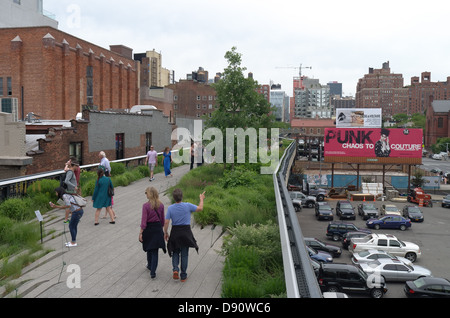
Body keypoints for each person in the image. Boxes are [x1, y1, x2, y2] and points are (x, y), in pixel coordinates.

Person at [164, 189, 205, 282]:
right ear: (182, 197)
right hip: (186, 232)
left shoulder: (170, 208)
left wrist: (165, 232)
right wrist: (201, 199)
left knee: (175, 252)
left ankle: (175, 269)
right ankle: (183, 276)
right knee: (184, 254)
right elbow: (200, 208)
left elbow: (166, 222)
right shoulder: (188, 205)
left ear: (174, 198)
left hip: (175, 232)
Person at [139, 187, 166, 279]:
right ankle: (153, 271)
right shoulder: (161, 205)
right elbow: (162, 220)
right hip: (157, 228)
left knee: (149, 248)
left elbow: (144, 221)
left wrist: (141, 233)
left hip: (149, 229)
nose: (145, 194)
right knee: (155, 251)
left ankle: (150, 266)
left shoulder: (145, 206)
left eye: (146, 193)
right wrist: (161, 230)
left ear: (150, 194)